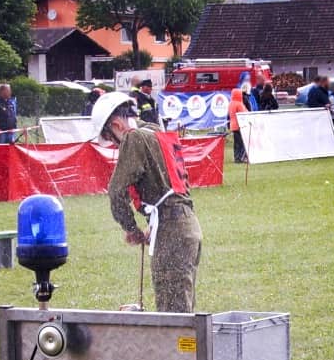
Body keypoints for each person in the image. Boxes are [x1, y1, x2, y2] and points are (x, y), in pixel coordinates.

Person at [95, 92, 202, 312]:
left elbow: (116, 191)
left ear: (116, 125)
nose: (114, 144)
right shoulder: (154, 131)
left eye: (110, 137)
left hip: (172, 230)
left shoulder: (134, 138)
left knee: (173, 314)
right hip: (186, 225)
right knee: (182, 308)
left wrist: (131, 228)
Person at [227, 87, 248, 163]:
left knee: (236, 143)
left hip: (233, 125)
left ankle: (236, 157)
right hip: (240, 126)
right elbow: (244, 114)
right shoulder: (239, 104)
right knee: (241, 143)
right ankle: (241, 158)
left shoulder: (231, 104)